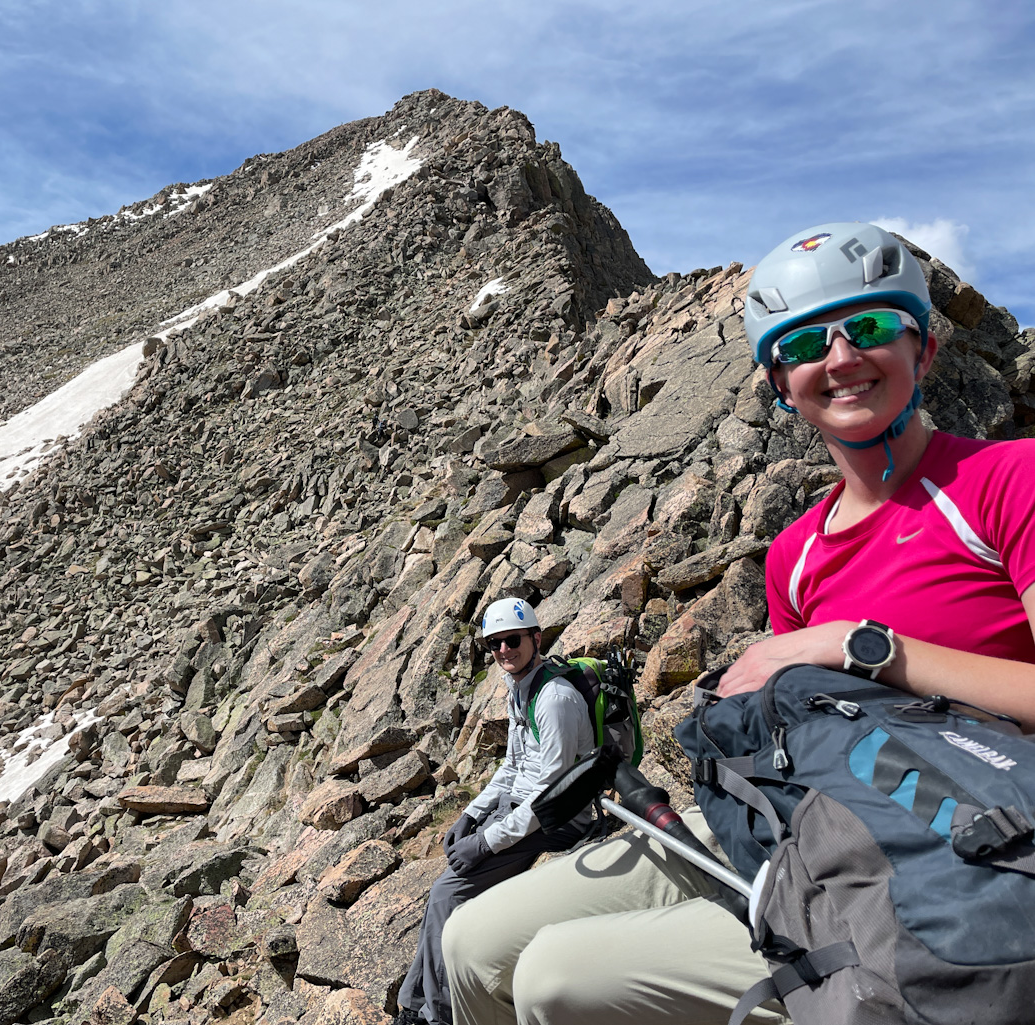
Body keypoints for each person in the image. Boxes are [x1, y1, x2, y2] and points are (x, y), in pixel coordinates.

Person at [441, 222, 1035, 1025]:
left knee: (552, 978)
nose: (841, 358)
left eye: (868, 327)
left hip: (956, 846)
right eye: (804, 345)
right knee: (470, 941)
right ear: (781, 384)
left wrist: (857, 646)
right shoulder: (795, 554)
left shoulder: (1007, 480)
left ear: (923, 349)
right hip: (808, 819)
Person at [394, 597, 602, 1025]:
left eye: (512, 640)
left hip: (558, 821)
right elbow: (512, 765)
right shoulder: (521, 688)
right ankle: (415, 1006)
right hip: (521, 810)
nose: (504, 651)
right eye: (495, 644)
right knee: (445, 891)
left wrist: (486, 843)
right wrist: (471, 814)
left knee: (446, 895)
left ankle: (438, 1015)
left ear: (536, 638)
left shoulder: (555, 699)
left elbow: (552, 795)